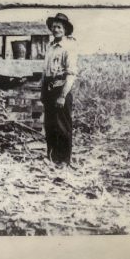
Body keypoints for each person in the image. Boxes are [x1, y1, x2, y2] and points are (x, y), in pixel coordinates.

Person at [40, 13, 78, 166]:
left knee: (62, 125)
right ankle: (52, 157)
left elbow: (71, 74)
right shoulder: (50, 47)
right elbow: (45, 71)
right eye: (54, 27)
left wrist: (63, 95)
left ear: (65, 30)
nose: (55, 30)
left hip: (61, 88)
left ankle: (63, 160)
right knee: (50, 125)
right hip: (49, 89)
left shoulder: (68, 48)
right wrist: (43, 91)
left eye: (59, 27)